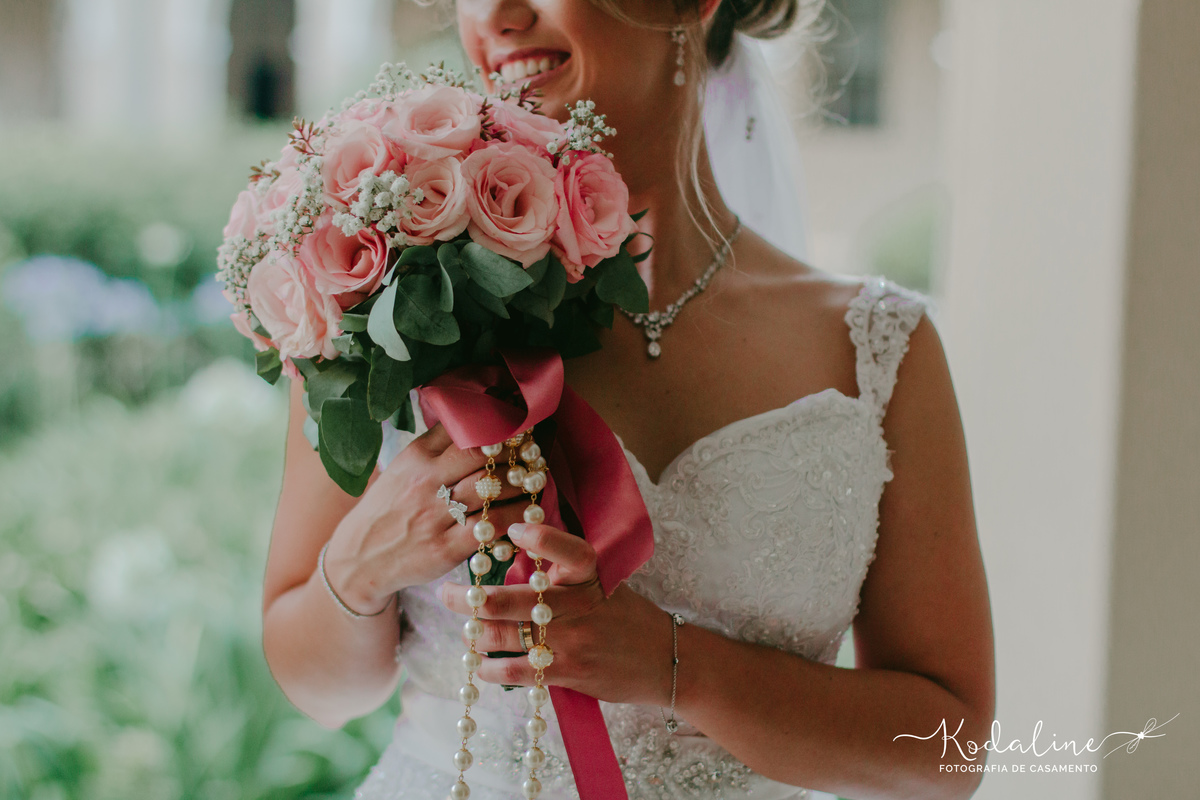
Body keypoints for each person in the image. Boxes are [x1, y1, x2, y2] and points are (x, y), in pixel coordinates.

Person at [260, 0, 996, 797]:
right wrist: (358, 568)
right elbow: (317, 692)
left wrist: (678, 667)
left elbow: (949, 756)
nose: (497, 16)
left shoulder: (874, 348)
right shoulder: (391, 290)